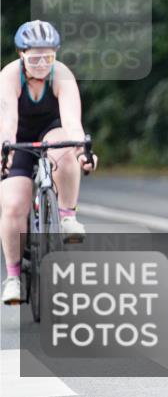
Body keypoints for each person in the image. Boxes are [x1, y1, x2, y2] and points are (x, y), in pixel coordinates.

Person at [1, 20, 97, 305]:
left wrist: (82, 151)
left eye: (48, 56)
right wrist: (4, 152)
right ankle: (14, 277)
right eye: (34, 57)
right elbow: (8, 123)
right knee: (13, 204)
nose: (42, 63)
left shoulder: (61, 75)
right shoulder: (8, 77)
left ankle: (67, 216)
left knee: (64, 149)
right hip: (17, 136)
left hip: (51, 130)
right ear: (21, 55)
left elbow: (71, 121)